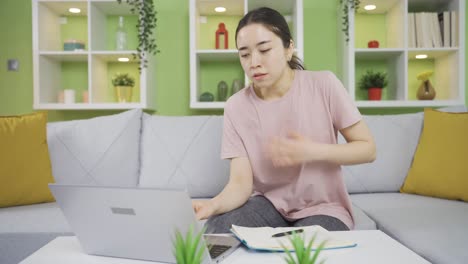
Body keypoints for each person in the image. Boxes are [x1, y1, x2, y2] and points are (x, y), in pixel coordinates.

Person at [192, 7, 376, 233]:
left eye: (264, 50)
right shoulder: (236, 106)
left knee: (299, 248)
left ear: (289, 49)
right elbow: (240, 184)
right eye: (245, 54)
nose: (254, 62)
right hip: (268, 205)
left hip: (324, 208)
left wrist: (312, 151)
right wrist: (212, 206)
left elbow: (368, 149)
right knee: (216, 229)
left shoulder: (324, 85)